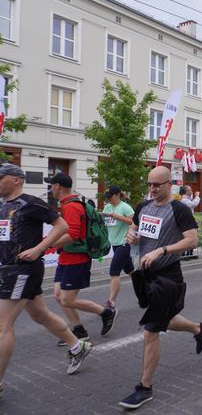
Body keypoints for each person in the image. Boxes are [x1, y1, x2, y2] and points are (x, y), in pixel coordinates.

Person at [120, 166, 202, 409]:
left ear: (169, 184)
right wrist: (132, 234)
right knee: (164, 319)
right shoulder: (143, 206)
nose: (152, 189)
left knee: (151, 330)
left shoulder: (179, 209)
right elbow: (134, 226)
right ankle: (197, 328)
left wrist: (162, 249)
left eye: (156, 185)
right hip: (146, 273)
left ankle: (145, 387)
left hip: (168, 276)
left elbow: (192, 240)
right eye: (149, 184)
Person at [0, 164, 93, 397]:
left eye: (0, 177)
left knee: (3, 324)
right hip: (7, 269)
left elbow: (61, 226)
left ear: (15, 180)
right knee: (40, 314)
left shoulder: (30, 203)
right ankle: (77, 346)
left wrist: (39, 248)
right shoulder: (3, 206)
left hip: (23, 269)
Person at [46, 173, 118, 342]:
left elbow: (73, 234)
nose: (50, 188)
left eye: (52, 185)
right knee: (58, 295)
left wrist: (50, 244)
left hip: (76, 260)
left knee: (67, 299)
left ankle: (106, 313)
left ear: (58, 187)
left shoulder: (72, 206)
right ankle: (79, 330)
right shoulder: (66, 204)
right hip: (66, 257)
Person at [102, 186, 135, 310]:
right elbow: (105, 222)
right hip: (114, 244)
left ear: (117, 195)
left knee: (114, 272)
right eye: (107, 198)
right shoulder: (108, 207)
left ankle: (111, 303)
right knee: (130, 271)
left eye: (110, 197)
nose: (109, 200)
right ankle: (147, 288)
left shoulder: (125, 207)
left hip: (125, 243)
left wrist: (118, 217)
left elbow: (134, 222)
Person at [179, 185, 200, 261]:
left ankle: (190, 254)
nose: (191, 191)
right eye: (190, 190)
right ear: (186, 192)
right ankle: (183, 255)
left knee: (192, 237)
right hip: (185, 221)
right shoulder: (184, 200)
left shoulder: (188, 198)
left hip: (190, 219)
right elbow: (193, 205)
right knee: (186, 237)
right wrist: (197, 196)